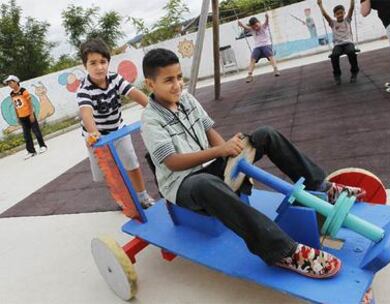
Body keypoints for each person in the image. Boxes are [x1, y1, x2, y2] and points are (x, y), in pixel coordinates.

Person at [141, 48, 366, 279]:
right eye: (168, 80)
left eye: (179, 77)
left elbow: (209, 130)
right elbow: (172, 162)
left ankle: (320, 187)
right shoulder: (150, 120)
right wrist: (220, 150)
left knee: (265, 134)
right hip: (183, 184)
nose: (177, 85)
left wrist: (230, 153)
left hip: (210, 167)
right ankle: (283, 251)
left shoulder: (186, 99)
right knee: (204, 183)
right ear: (150, 84)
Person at [76, 38, 154, 208]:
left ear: (108, 62)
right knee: (108, 172)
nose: (99, 67)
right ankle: (123, 199)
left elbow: (134, 93)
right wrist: (93, 132)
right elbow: (86, 112)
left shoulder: (114, 79)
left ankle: (142, 196)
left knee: (131, 162)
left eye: (103, 62)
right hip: (96, 137)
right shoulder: (84, 89)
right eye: (93, 63)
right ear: (85, 66)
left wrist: (153, 108)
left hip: (118, 130)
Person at [4, 75, 47, 159]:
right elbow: (15, 105)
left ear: (16, 82)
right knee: (26, 135)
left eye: (11, 82)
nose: (10, 85)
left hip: (29, 114)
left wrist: (31, 114)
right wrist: (17, 116)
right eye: (8, 84)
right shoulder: (12, 94)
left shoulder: (23, 91)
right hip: (21, 116)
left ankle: (42, 146)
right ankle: (31, 151)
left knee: (36, 131)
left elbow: (30, 103)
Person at [318, 0, 360, 85]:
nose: (340, 15)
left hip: (348, 43)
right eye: (337, 14)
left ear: (344, 13)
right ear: (334, 15)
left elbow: (351, 8)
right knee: (334, 55)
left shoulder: (347, 20)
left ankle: (354, 72)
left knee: (351, 52)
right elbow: (325, 15)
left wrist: (352, 1)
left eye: (341, 13)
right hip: (338, 45)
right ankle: (337, 75)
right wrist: (320, 5)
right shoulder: (332, 23)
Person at [238, 14, 280, 83]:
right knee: (252, 59)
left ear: (259, 22)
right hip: (257, 47)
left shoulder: (264, 26)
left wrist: (267, 18)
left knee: (270, 54)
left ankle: (275, 69)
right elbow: (246, 27)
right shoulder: (251, 29)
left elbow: (266, 22)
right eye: (253, 27)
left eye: (256, 26)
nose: (256, 28)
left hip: (266, 45)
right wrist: (241, 25)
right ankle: (249, 75)